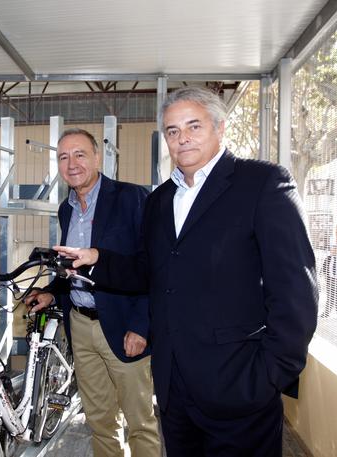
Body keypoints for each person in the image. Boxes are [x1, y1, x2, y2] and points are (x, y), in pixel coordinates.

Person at [54, 87, 318, 456]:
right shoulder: (160, 200)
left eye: (194, 126)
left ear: (220, 128)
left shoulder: (262, 183)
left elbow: (296, 290)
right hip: (175, 391)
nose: (183, 138)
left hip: (240, 389)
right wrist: (98, 259)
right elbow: (150, 274)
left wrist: (269, 376)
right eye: (173, 131)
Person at [23, 128, 161, 457]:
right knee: (99, 421)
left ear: (97, 157)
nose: (72, 164)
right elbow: (74, 268)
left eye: (80, 154)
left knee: (140, 422)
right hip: (81, 326)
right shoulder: (66, 208)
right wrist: (52, 293)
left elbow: (152, 266)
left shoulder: (131, 198)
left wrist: (141, 325)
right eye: (63, 157)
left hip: (124, 325)